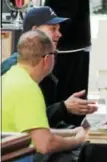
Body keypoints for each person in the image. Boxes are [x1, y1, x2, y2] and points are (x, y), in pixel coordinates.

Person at [1, 6, 97, 128]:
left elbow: (43, 121)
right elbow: (29, 121)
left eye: (58, 29)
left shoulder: (43, 68)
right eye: (53, 29)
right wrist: (63, 108)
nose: (59, 34)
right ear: (35, 31)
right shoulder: (11, 69)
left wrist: (72, 130)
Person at [1, 30, 87, 160]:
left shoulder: (10, 77)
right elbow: (45, 144)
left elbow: (36, 132)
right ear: (47, 59)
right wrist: (78, 141)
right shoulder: (28, 88)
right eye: (55, 54)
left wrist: (73, 133)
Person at [34, 0, 91, 126]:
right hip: (72, 47)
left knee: (68, 95)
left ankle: (68, 136)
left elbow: (63, 17)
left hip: (70, 49)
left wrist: (52, 38)